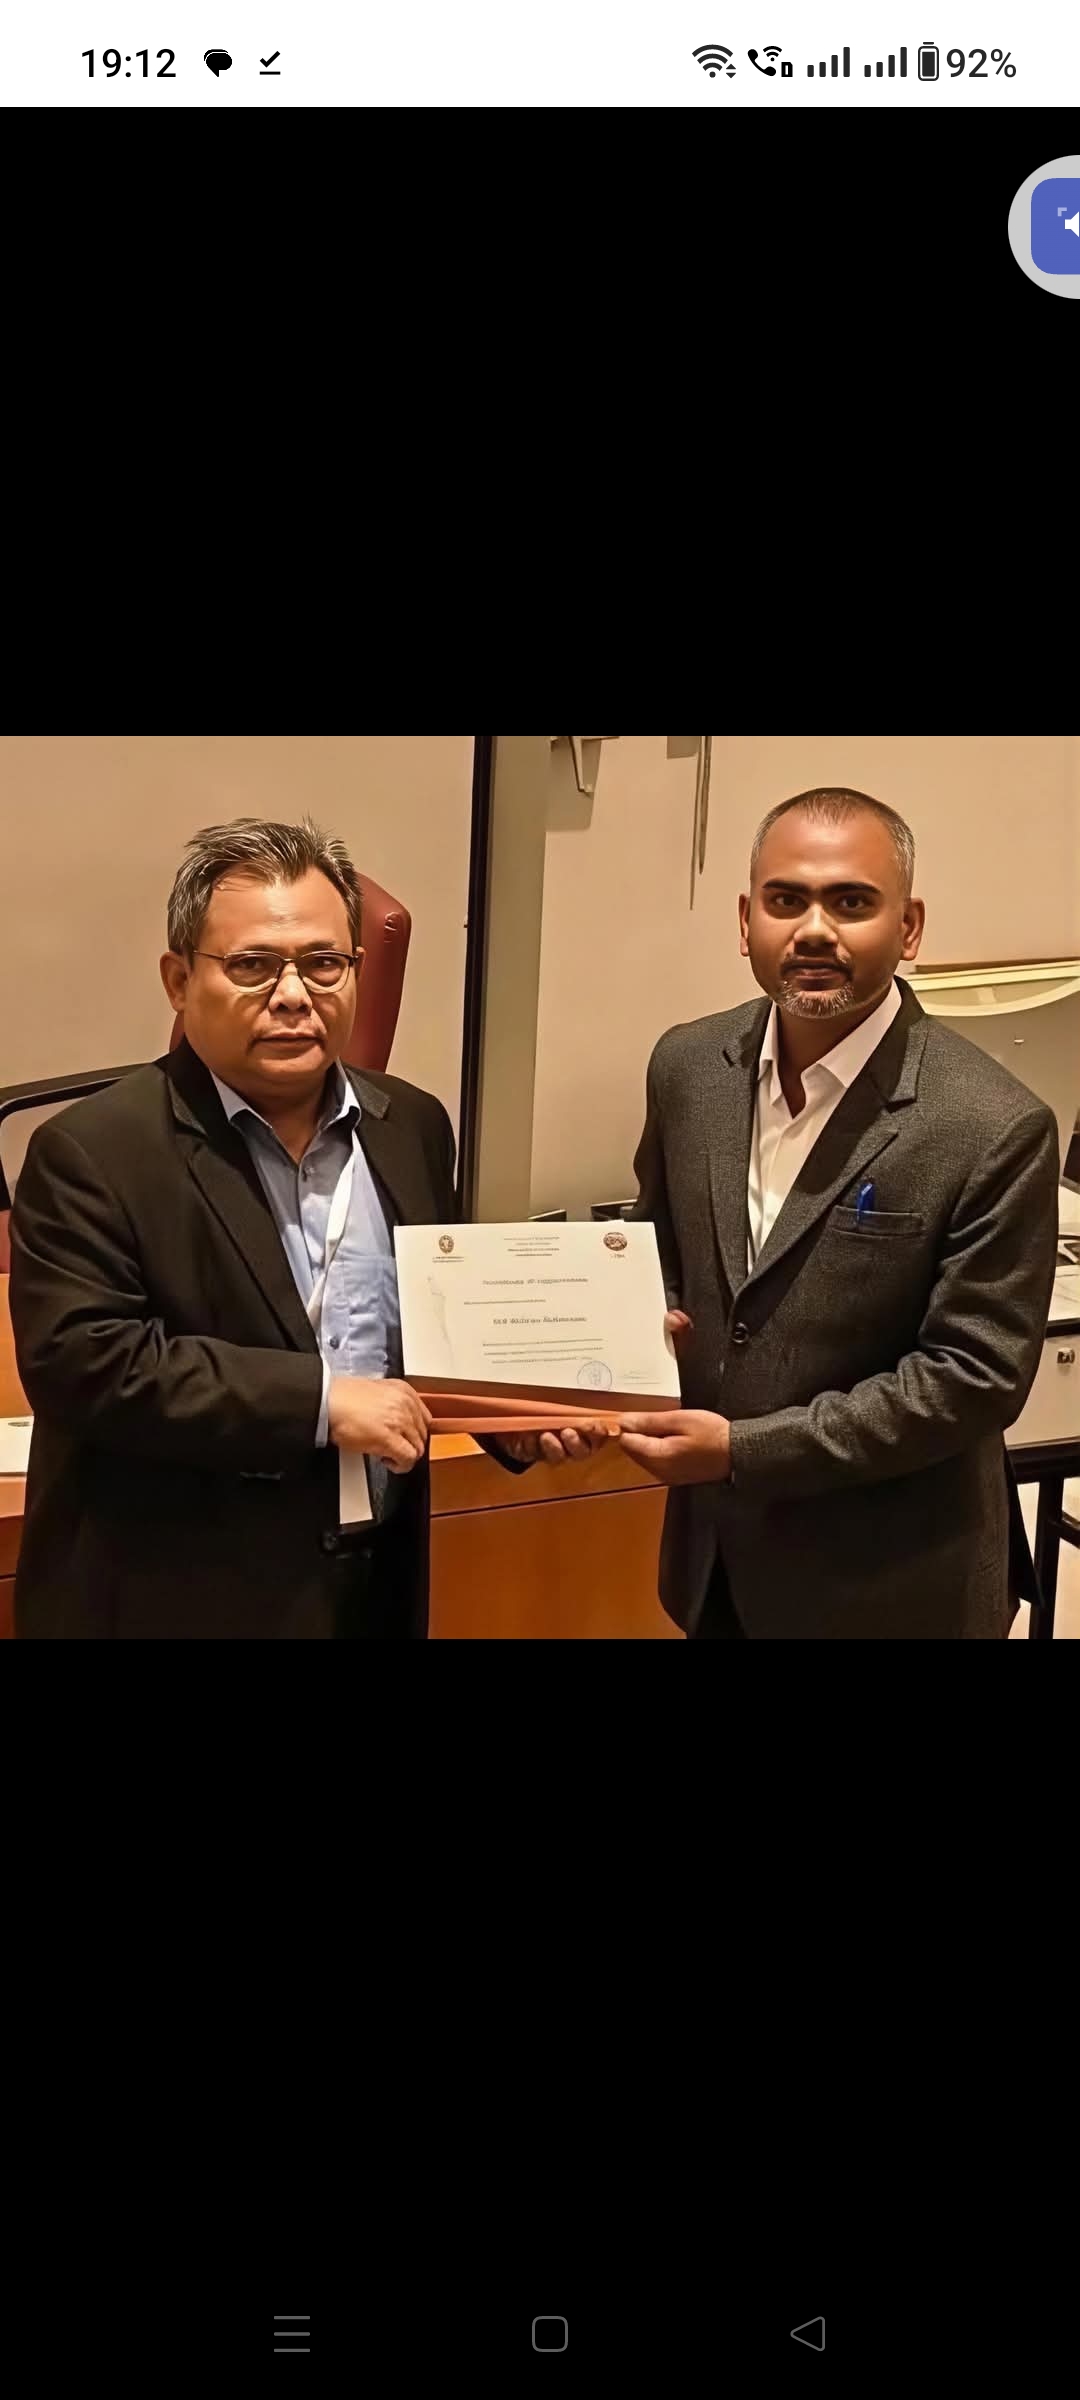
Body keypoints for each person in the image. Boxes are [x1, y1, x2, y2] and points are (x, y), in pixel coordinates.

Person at [9, 815, 606, 1639]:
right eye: (253, 965)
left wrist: (519, 1415)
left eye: (324, 963)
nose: (294, 995)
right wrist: (323, 1402)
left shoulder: (411, 1125)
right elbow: (87, 1365)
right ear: (179, 980)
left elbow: (433, 1329)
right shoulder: (92, 1151)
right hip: (178, 1594)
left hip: (371, 1582)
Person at [619, 787, 1059, 1639]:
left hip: (893, 1589)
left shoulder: (993, 1125)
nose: (814, 930)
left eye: (851, 903)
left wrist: (741, 1451)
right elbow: (657, 1247)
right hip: (715, 1567)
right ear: (746, 921)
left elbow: (971, 1379)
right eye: (787, 900)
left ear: (910, 927)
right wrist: (620, 1338)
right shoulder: (687, 1066)